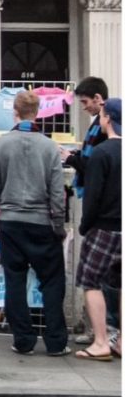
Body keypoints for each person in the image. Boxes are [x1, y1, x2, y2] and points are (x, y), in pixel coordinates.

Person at [0, 90, 69, 356]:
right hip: (42, 222)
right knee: (52, 281)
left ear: (15, 112)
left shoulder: (0, 145)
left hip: (10, 222)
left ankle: (23, 340)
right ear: (38, 113)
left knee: (15, 280)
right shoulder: (49, 146)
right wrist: (58, 223)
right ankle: (55, 341)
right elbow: (57, 191)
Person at [74, 97, 121, 362]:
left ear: (108, 119)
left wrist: (85, 225)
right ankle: (121, 341)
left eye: (102, 115)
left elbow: (92, 197)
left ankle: (101, 341)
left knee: (91, 282)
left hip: (104, 228)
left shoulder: (102, 153)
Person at [60, 76, 109, 197]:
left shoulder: (103, 126)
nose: (84, 107)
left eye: (85, 101)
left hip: (97, 191)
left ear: (97, 98)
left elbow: (92, 164)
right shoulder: (98, 122)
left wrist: (69, 158)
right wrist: (75, 154)